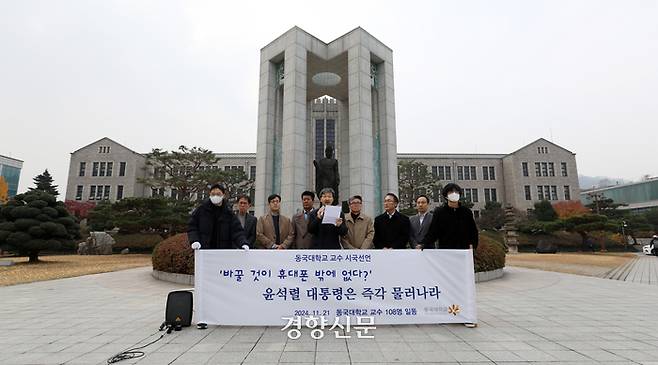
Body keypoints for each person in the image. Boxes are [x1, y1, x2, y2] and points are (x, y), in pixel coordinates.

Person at [188, 183, 250, 250]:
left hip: (223, 251)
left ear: (223, 195)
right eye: (213, 194)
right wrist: (195, 240)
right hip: (204, 249)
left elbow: (237, 231)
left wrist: (243, 243)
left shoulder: (228, 213)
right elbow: (192, 226)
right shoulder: (201, 210)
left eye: (218, 194)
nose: (215, 196)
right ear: (210, 195)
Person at [420, 183, 478, 251]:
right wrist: (423, 244)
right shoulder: (439, 212)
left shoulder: (466, 212)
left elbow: (473, 230)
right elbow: (433, 232)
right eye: (451, 192)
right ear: (446, 195)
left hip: (464, 249)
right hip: (446, 250)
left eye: (456, 192)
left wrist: (473, 244)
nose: (454, 194)